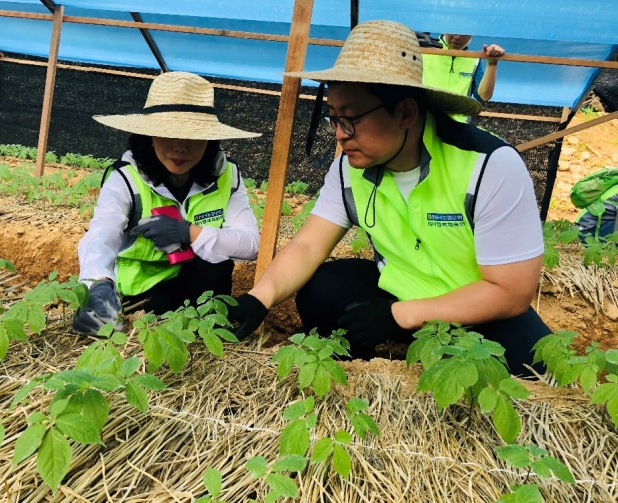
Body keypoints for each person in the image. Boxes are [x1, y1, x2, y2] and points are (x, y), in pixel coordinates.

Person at [229, 20, 550, 376]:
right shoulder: (348, 168)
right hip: (400, 293)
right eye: (332, 118)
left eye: (350, 119)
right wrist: (260, 298)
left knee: (535, 371)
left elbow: (512, 292)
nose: (339, 135)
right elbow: (307, 246)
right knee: (324, 287)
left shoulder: (489, 165)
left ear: (406, 113)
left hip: (479, 312)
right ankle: (356, 380)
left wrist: (400, 316)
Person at [72, 71, 261, 336]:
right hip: (141, 295)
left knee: (214, 265)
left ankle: (205, 327)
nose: (179, 147)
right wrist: (98, 284)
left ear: (209, 139)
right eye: (168, 133)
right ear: (148, 136)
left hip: (200, 291)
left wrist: (188, 233)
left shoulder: (227, 175)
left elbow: (251, 243)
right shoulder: (126, 178)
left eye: (192, 136)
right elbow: (103, 233)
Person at [422, 33, 505, 122]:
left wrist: (492, 64)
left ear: (472, 35)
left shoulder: (474, 59)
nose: (457, 37)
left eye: (464, 34)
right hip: (425, 120)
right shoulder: (424, 50)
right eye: (453, 31)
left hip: (459, 126)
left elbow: (483, 96)